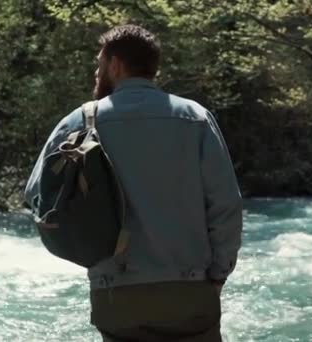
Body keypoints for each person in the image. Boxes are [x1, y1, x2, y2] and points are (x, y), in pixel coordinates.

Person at [26, 24, 242, 341]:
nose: (97, 75)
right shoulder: (195, 118)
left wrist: (86, 248)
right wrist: (218, 275)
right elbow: (226, 205)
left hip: (115, 293)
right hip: (190, 289)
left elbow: (38, 197)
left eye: (100, 65)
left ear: (116, 65)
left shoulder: (81, 121)